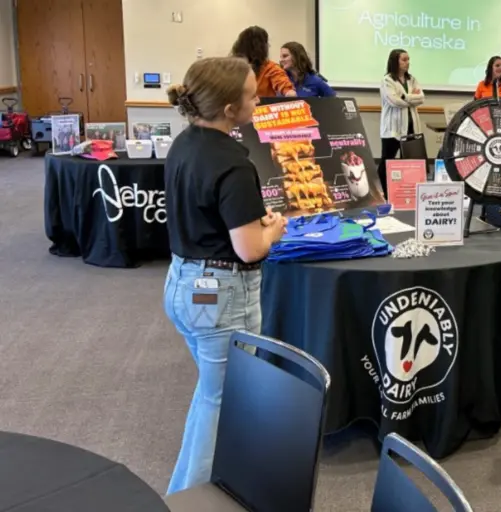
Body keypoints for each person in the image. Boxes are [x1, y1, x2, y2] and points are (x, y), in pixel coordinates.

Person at [162, 57, 288, 493]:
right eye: (253, 95)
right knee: (222, 403)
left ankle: (193, 492)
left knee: (213, 395)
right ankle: (188, 500)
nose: (259, 100)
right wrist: (273, 228)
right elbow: (250, 248)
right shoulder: (234, 163)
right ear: (231, 109)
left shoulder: (184, 144)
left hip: (186, 285)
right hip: (221, 297)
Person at [378, 48, 424, 199]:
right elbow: (394, 101)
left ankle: (408, 194)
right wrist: (411, 98)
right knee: (387, 160)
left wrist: (404, 96)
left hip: (411, 126)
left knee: (411, 162)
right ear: (395, 62)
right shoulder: (387, 80)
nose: (407, 63)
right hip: (393, 128)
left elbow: (422, 98)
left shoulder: (412, 79)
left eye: (408, 59)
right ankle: (384, 194)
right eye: (404, 60)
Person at [231, 26, 296, 98]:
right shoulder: (233, 68)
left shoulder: (271, 68)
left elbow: (288, 91)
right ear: (262, 47)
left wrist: (289, 92)